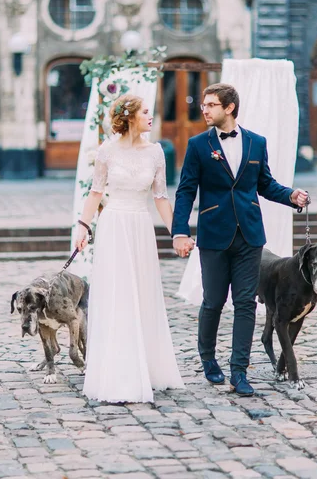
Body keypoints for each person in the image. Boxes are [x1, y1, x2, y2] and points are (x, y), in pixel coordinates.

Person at [172, 83, 308, 397]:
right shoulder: (197, 146)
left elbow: (266, 184)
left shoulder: (256, 143)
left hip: (249, 237)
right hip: (214, 236)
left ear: (229, 107)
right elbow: (185, 192)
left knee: (245, 303)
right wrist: (180, 231)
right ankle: (208, 358)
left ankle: (239, 371)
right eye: (204, 105)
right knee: (213, 302)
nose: (204, 109)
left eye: (210, 105)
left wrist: (292, 196)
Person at [75, 93, 184, 403]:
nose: (151, 117)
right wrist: (82, 228)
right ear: (131, 117)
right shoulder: (107, 151)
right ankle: (117, 370)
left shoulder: (156, 152)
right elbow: (95, 193)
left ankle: (148, 366)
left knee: (143, 292)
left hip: (140, 225)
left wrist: (177, 233)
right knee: (117, 294)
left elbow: (161, 198)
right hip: (113, 226)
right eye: (146, 112)